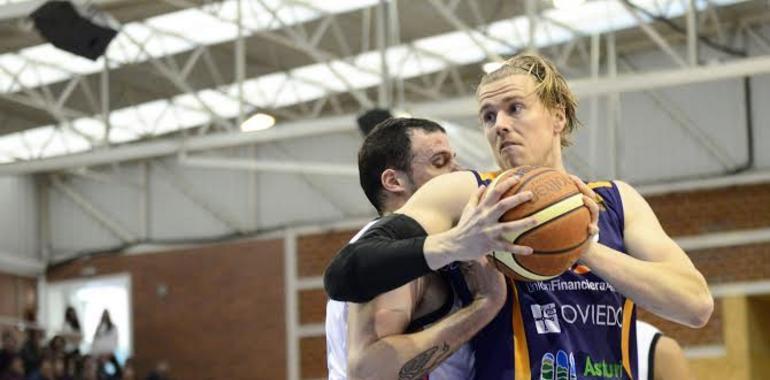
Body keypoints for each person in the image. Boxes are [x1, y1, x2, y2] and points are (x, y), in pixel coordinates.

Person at [325, 52, 713, 379]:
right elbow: (349, 268)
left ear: (557, 117)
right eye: (489, 116)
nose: (501, 126)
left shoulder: (616, 200)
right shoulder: (469, 194)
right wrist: (457, 242)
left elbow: (695, 305)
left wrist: (585, 248)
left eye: (515, 109)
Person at [326, 117, 511, 379]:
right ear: (393, 181)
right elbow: (368, 374)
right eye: (440, 162)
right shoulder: (395, 251)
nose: (458, 171)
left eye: (453, 159)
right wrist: (484, 307)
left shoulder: (431, 248)